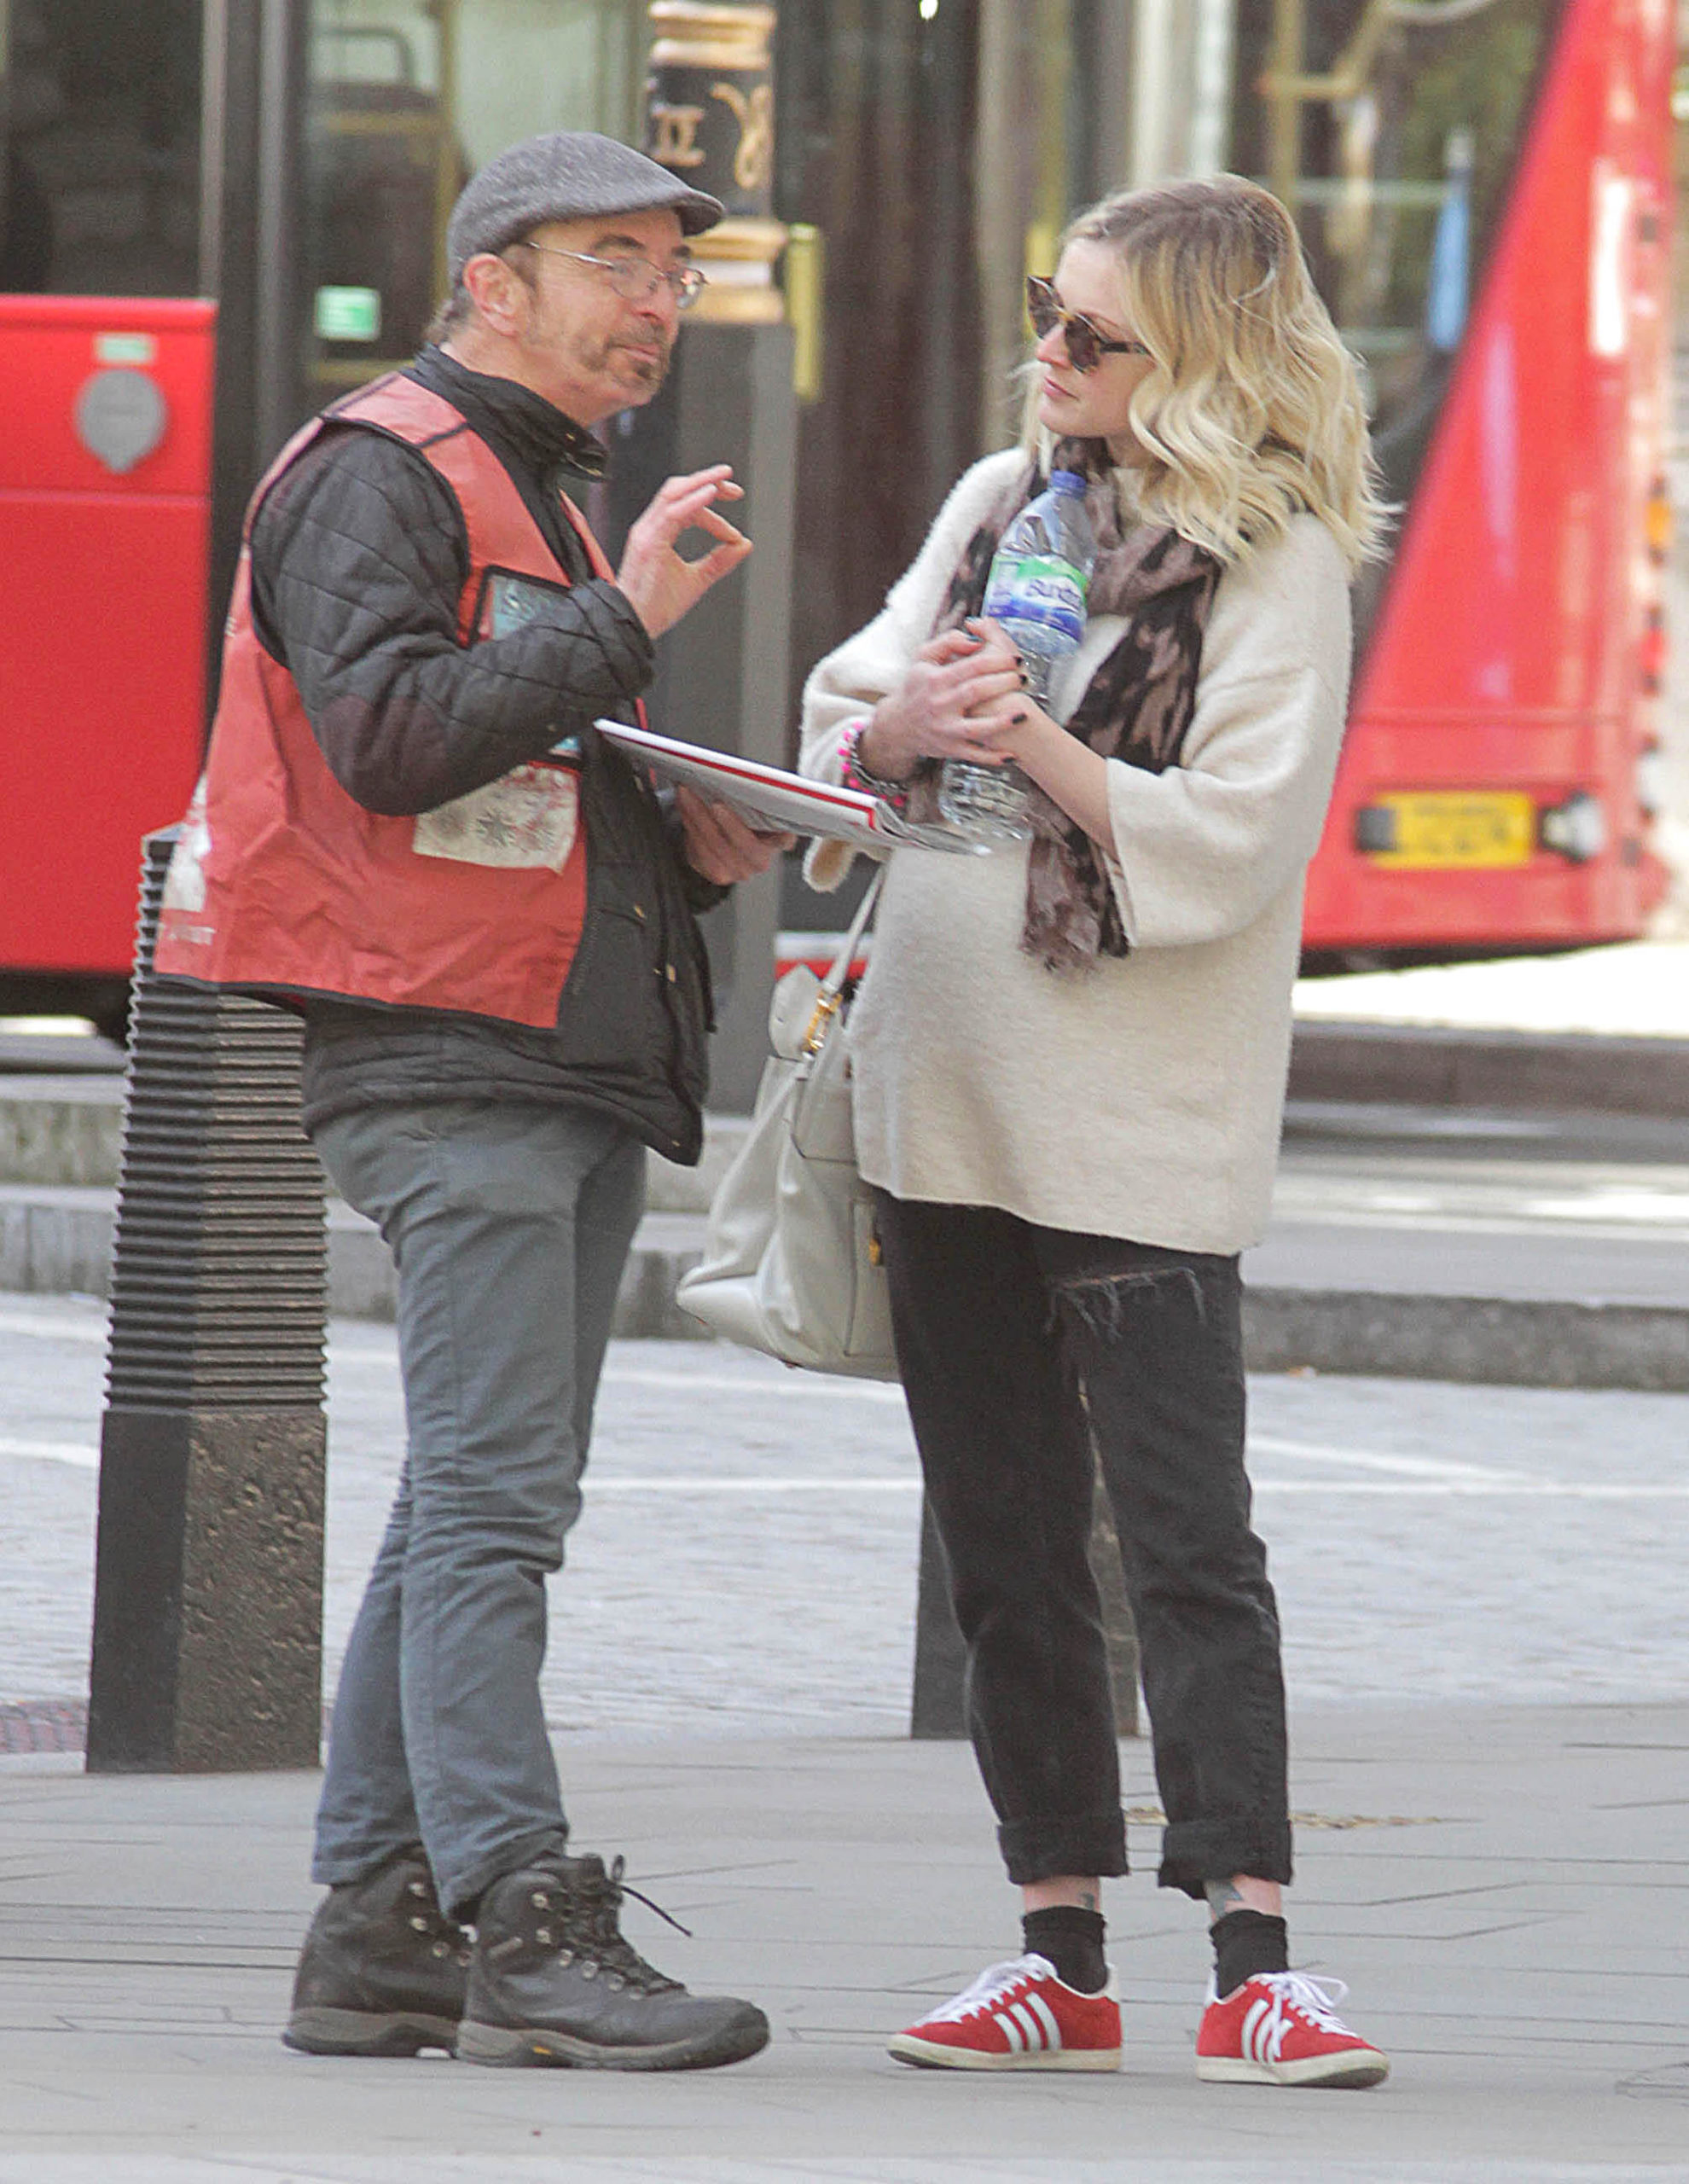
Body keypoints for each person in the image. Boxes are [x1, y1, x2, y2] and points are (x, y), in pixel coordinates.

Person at [156, 131, 788, 2072]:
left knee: (465, 1498)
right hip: (450, 1053)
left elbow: (501, 771)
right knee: (500, 1502)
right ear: (494, 280)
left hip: (544, 1046)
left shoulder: (532, 484)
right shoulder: (383, 466)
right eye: (617, 262)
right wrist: (631, 621)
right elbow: (393, 734)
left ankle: (378, 1928)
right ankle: (524, 1912)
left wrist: (684, 830)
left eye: (674, 272)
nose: (656, 305)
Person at [798, 176, 1393, 2086]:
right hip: (944, 1085)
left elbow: (1238, 838)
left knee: (1186, 1534)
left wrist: (1029, 741)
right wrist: (902, 733)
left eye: (1092, 336)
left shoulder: (1275, 551)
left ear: (1204, 359)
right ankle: (1054, 1941)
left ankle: (1257, 1948)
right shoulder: (998, 500)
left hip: (1140, 1107)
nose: (1046, 359)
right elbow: (847, 702)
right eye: (1047, 317)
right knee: (1004, 1533)